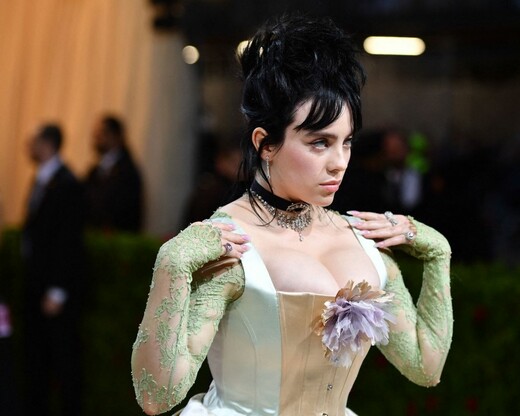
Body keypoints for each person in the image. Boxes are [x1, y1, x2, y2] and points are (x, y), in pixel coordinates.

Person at [131, 14, 453, 416]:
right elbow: (156, 396)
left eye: (346, 142)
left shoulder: (363, 239)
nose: (339, 163)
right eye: (320, 143)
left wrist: (438, 252)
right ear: (265, 143)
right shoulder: (230, 243)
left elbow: (425, 366)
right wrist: (172, 265)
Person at [21, 124, 86, 415]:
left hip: (55, 290)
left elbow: (67, 241)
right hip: (36, 284)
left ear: (47, 143)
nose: (28, 145)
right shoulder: (42, 178)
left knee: (62, 359)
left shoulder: (67, 183)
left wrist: (57, 290)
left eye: (33, 140)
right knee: (36, 358)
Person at [84, 114, 144, 232]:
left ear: (116, 136)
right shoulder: (94, 171)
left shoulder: (127, 172)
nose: (97, 138)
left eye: (103, 133)